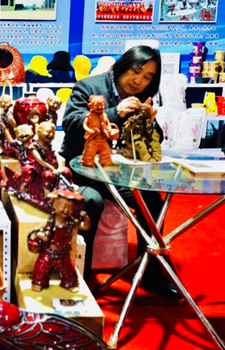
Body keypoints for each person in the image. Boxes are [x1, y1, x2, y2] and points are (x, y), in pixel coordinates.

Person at [61, 45, 180, 299]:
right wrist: (115, 113)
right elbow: (71, 123)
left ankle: (151, 273)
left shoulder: (142, 97)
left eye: (148, 77)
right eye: (136, 71)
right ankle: (81, 278)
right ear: (123, 66)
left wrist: (149, 122)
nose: (139, 81)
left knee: (152, 202)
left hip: (118, 173)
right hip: (83, 170)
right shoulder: (89, 87)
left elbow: (155, 139)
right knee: (89, 201)